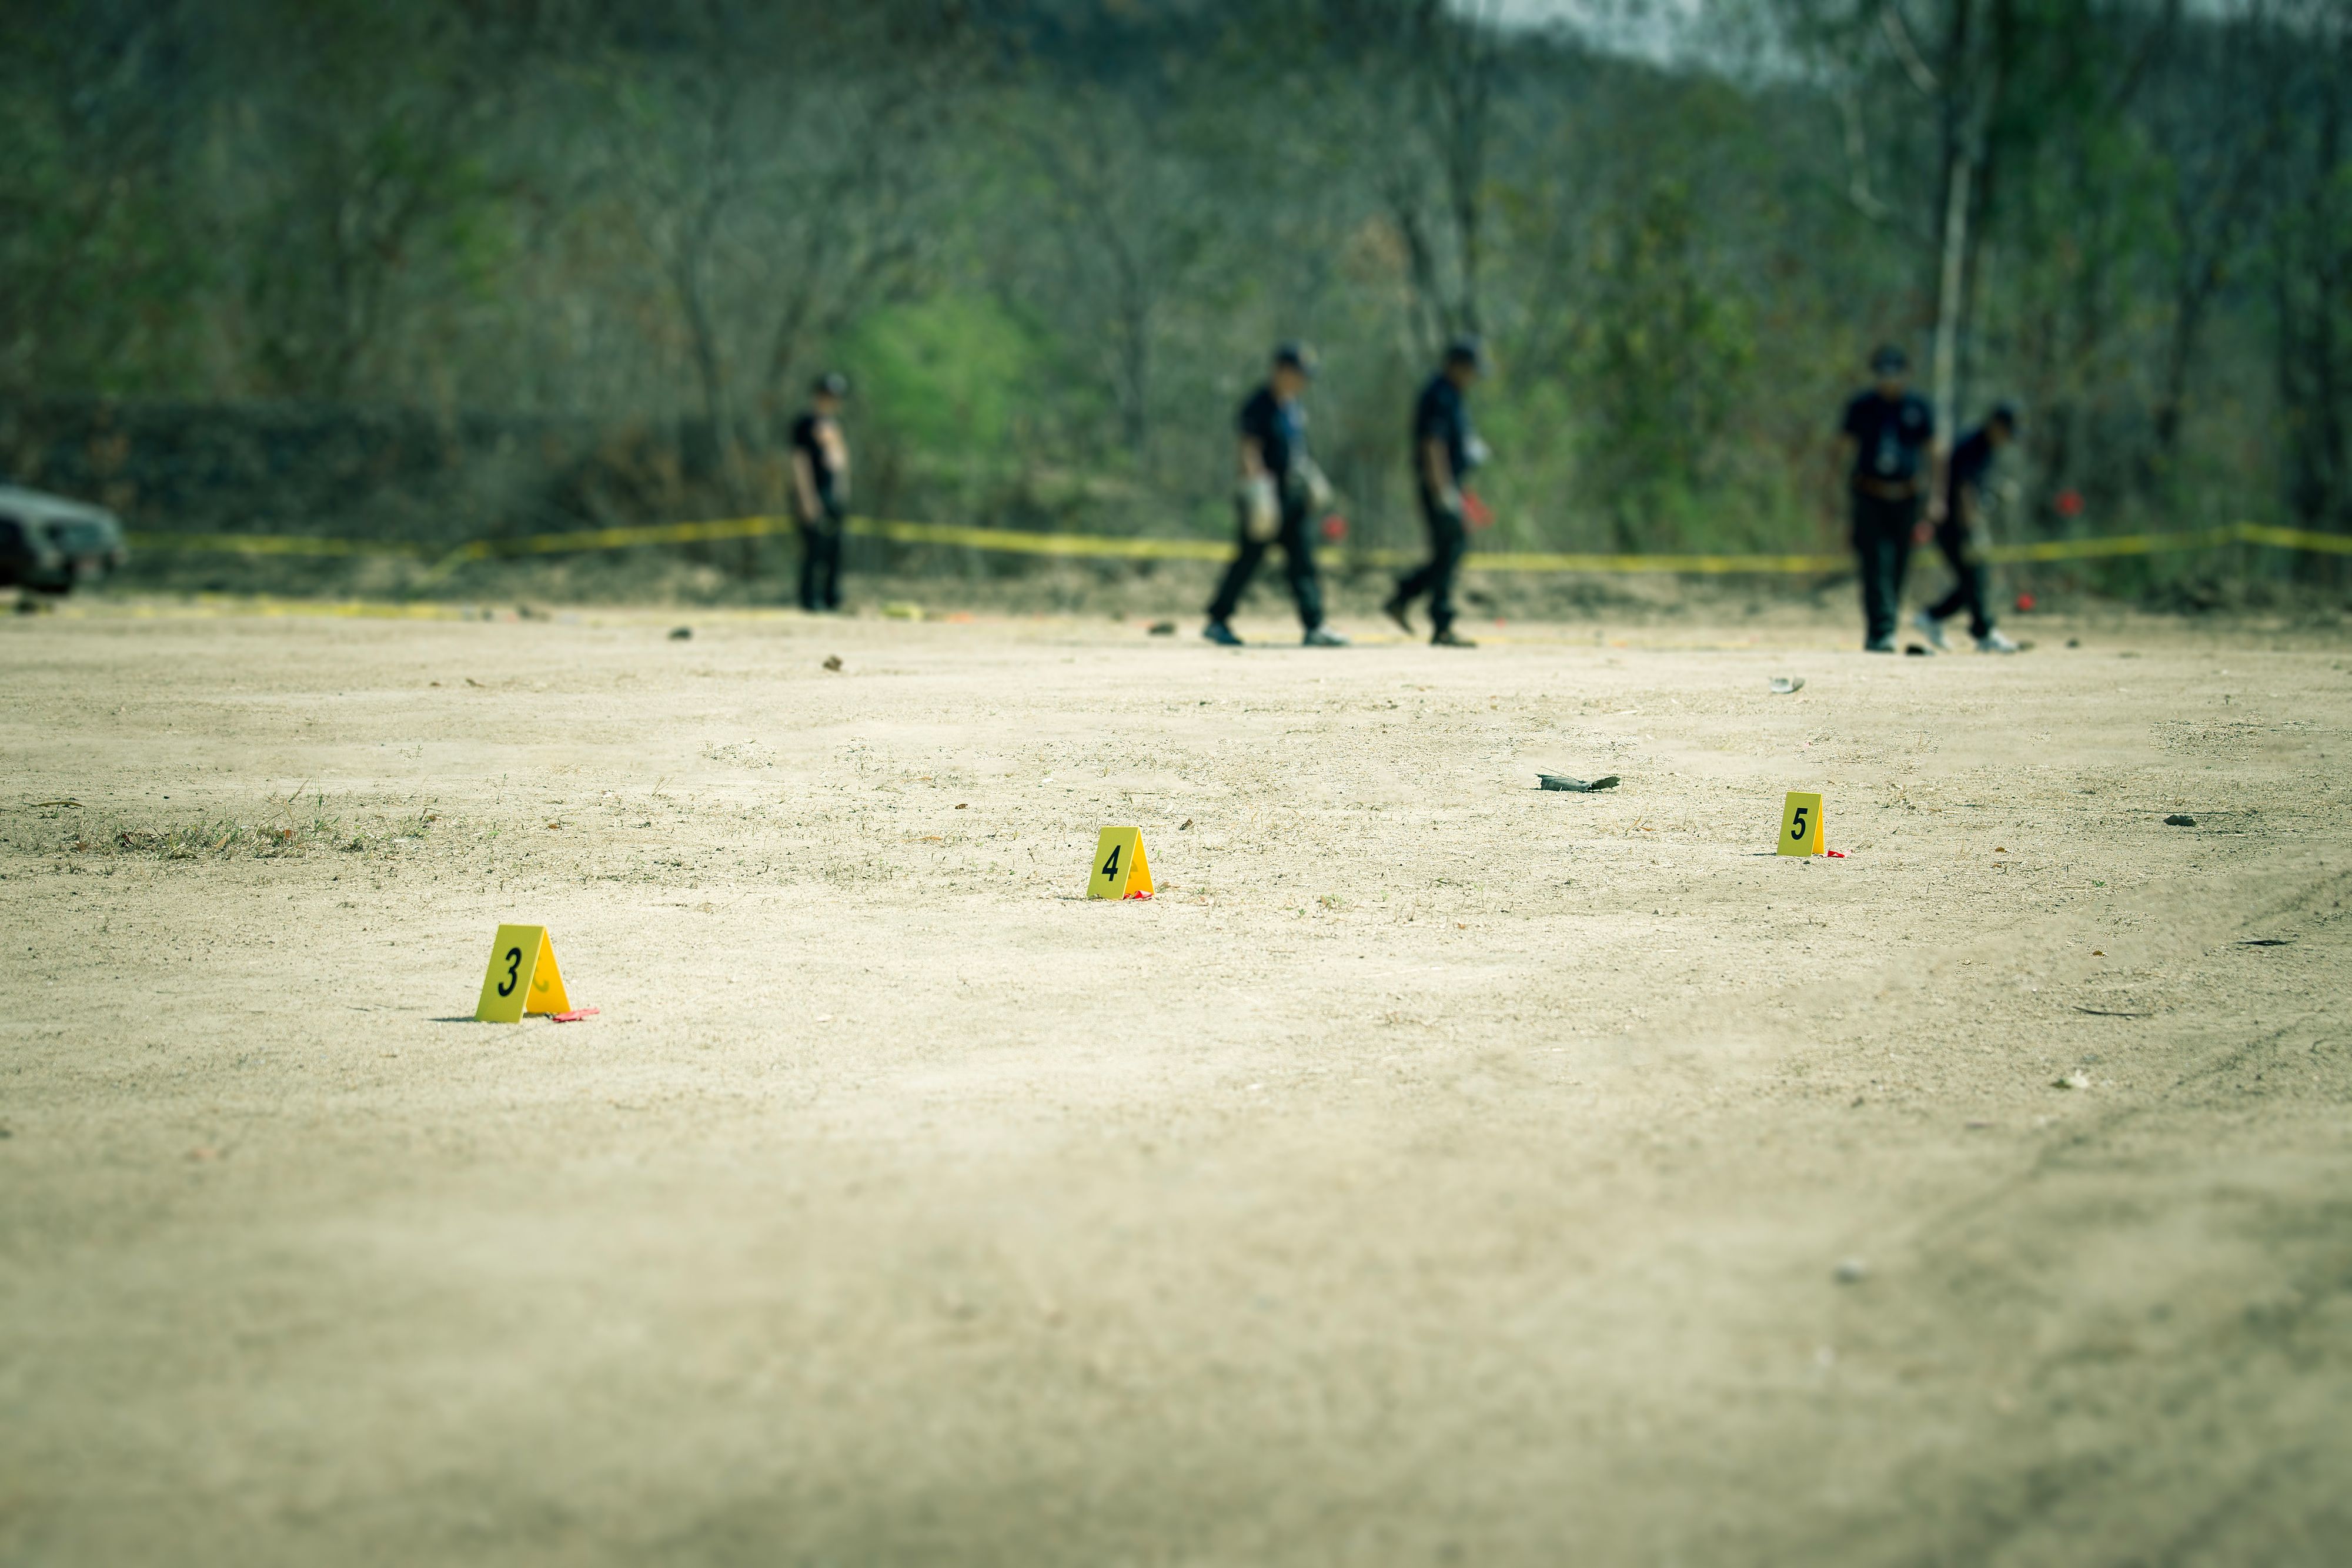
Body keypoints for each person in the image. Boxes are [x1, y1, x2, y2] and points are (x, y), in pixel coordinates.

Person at [1204, 343, 1346, 647]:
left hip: (1292, 496)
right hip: (1266, 496)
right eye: (1298, 374)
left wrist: (1310, 480)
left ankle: (1315, 625)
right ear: (1281, 371)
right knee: (1249, 560)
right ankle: (1218, 619)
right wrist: (1258, 493)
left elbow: (1298, 452)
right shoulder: (1259, 405)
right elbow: (1248, 449)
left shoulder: (1292, 407)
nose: (1303, 382)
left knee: (1303, 560)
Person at [1386, 336, 1486, 647]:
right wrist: (1443, 490)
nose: (1473, 377)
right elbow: (1433, 444)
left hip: (1449, 484)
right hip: (1438, 485)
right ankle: (1441, 623)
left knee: (1449, 551)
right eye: (1470, 369)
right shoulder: (1440, 395)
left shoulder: (1453, 395)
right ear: (1457, 366)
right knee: (1451, 547)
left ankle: (1404, 597)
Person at [1838, 344, 1935, 651]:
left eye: (1895, 372)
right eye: (1884, 373)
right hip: (1870, 495)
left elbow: (1936, 453)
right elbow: (1840, 449)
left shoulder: (1918, 408)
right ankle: (1882, 631)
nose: (1889, 379)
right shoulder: (1862, 407)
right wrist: (1836, 494)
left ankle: (1885, 626)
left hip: (1907, 498)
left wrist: (1936, 498)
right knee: (1874, 564)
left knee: (1899, 566)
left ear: (1905, 374)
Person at [1915, 404, 2023, 654]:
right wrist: (1971, 528)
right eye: (2007, 432)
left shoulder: (1984, 447)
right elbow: (1964, 488)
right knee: (1977, 577)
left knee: (1973, 579)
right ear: (1996, 425)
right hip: (1956, 524)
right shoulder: (1973, 446)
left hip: (1959, 523)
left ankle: (1932, 618)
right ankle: (1983, 632)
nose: (2008, 439)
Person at [790, 372, 851, 613]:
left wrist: (843, 490)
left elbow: (840, 463)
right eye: (827, 396)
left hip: (831, 493)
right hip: (812, 492)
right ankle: (809, 598)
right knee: (813, 547)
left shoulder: (834, 427)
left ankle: (831, 596)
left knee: (835, 547)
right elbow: (799, 462)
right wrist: (807, 498)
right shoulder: (804, 424)